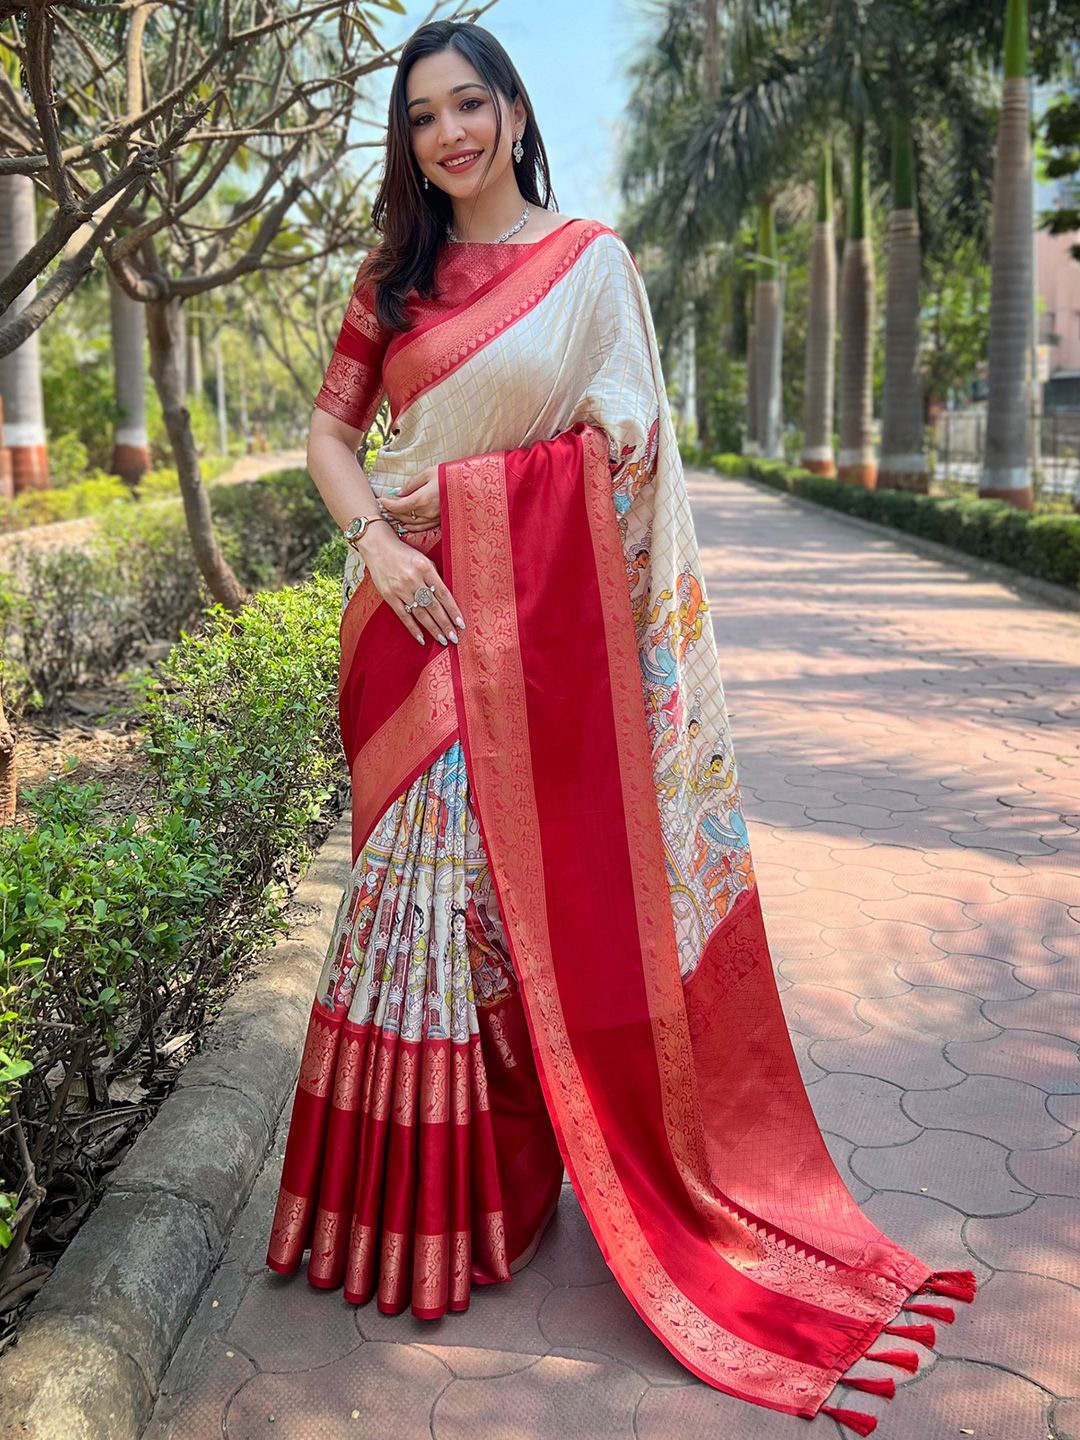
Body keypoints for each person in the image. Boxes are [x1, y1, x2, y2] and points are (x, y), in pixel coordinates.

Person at [265, 20, 976, 1435]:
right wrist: (386, 546)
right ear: (405, 143)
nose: (449, 134)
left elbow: (632, 459)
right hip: (406, 628)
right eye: (421, 117)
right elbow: (331, 436)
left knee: (484, 912)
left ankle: (501, 1197)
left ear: (517, 114)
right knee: (410, 917)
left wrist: (473, 510)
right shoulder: (389, 282)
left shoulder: (592, 267)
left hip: (521, 644)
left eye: (471, 104)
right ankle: (406, 1211)